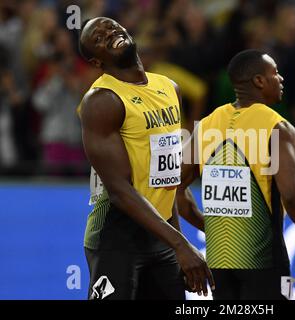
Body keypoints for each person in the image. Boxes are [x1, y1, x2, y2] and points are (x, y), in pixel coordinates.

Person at [77, 17, 214, 300]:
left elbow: (168, 179)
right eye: (99, 39)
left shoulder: (169, 88)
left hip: (161, 236)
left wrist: (178, 241)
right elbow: (120, 191)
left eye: (110, 26)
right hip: (116, 237)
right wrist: (181, 245)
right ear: (97, 62)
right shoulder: (101, 101)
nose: (108, 32)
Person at [177, 49, 295, 300]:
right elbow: (292, 193)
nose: (281, 79)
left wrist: (207, 227)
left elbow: (174, 188)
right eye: (275, 73)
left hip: (219, 261)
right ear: (259, 81)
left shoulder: (207, 124)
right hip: (266, 259)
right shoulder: (277, 127)